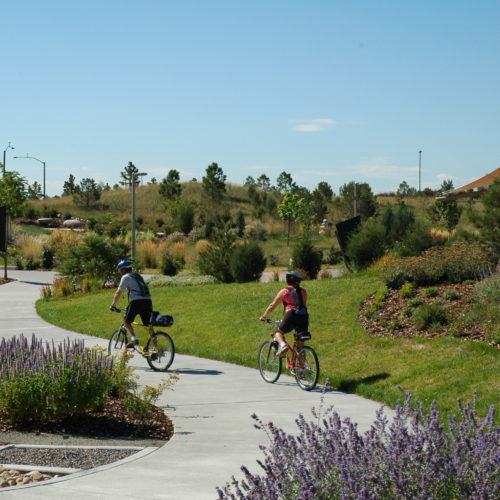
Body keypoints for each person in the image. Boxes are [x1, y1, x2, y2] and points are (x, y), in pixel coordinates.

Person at [259, 270, 308, 357]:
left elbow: (272, 306)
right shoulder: (303, 291)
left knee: (278, 332)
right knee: (300, 345)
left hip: (291, 315)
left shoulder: (284, 291)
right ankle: (301, 368)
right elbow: (303, 305)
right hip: (304, 316)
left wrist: (264, 316)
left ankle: (283, 345)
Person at [110, 259, 153, 348]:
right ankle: (157, 348)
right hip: (148, 301)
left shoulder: (125, 277)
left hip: (137, 302)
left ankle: (133, 339)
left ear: (124, 270)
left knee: (126, 321)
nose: (119, 272)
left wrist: (113, 305)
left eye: (120, 270)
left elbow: (118, 292)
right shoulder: (137, 276)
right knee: (148, 325)